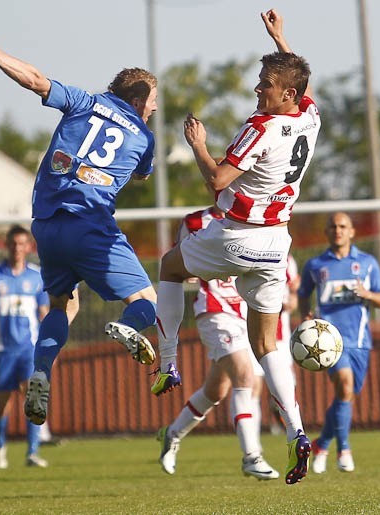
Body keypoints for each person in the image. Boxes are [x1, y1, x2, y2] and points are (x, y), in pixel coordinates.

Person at [152, 9, 321, 485]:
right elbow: (302, 83)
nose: (257, 89)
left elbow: (217, 181)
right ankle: (298, 433)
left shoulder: (261, 126)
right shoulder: (309, 117)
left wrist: (198, 146)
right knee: (267, 344)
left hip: (238, 237)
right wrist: (282, 40)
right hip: (276, 245)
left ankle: (167, 364)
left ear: (286, 94)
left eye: (265, 82)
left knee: (169, 266)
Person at [0, 24, 160, 430]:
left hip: (47, 227)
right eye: (153, 101)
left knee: (63, 305)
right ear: (139, 99)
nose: (154, 109)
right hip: (92, 224)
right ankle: (127, 326)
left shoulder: (83, 100)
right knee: (148, 301)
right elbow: (141, 174)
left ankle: (41, 372)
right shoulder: (144, 136)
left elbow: (35, 80)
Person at [157, 206, 278, 480]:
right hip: (215, 310)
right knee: (246, 376)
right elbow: (177, 265)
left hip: (245, 310)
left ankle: (172, 433)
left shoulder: (257, 215)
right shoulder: (196, 220)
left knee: (217, 389)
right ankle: (251, 456)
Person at [0, 225, 78, 469]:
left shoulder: (37, 276)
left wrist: (51, 345)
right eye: (13, 243)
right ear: (6, 245)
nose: (17, 248)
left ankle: (32, 452)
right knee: (2, 404)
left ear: (28, 247)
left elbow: (44, 312)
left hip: (29, 349)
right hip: (3, 349)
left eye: (22, 244)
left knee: (33, 399)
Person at [297, 212, 380, 473]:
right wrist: (305, 316)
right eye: (333, 226)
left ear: (352, 232)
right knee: (345, 387)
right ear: (326, 232)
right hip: (330, 343)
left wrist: (368, 294)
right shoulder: (315, 265)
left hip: (360, 341)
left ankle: (322, 442)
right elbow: (303, 294)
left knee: (345, 396)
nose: (338, 230)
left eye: (343, 226)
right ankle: (344, 450)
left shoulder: (367, 263)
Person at [269, 254, 300, 435]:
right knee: (252, 384)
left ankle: (285, 423)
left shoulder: (288, 260)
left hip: (281, 336)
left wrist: (291, 300)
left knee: (287, 382)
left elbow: (293, 296)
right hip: (251, 332)